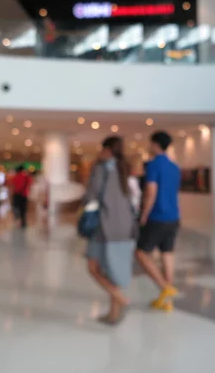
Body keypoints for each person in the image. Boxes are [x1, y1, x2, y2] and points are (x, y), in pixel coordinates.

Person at [85, 136, 137, 326]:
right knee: (113, 270)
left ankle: (123, 301)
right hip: (125, 226)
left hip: (104, 225)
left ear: (107, 150)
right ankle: (114, 314)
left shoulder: (100, 166)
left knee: (93, 267)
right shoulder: (124, 167)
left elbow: (92, 194)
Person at [135, 131, 181, 313]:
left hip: (157, 217)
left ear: (155, 144)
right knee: (167, 255)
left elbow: (151, 191)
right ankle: (166, 300)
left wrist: (144, 213)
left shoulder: (153, 165)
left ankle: (164, 287)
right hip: (174, 217)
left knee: (141, 253)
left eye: (150, 143)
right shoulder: (175, 167)